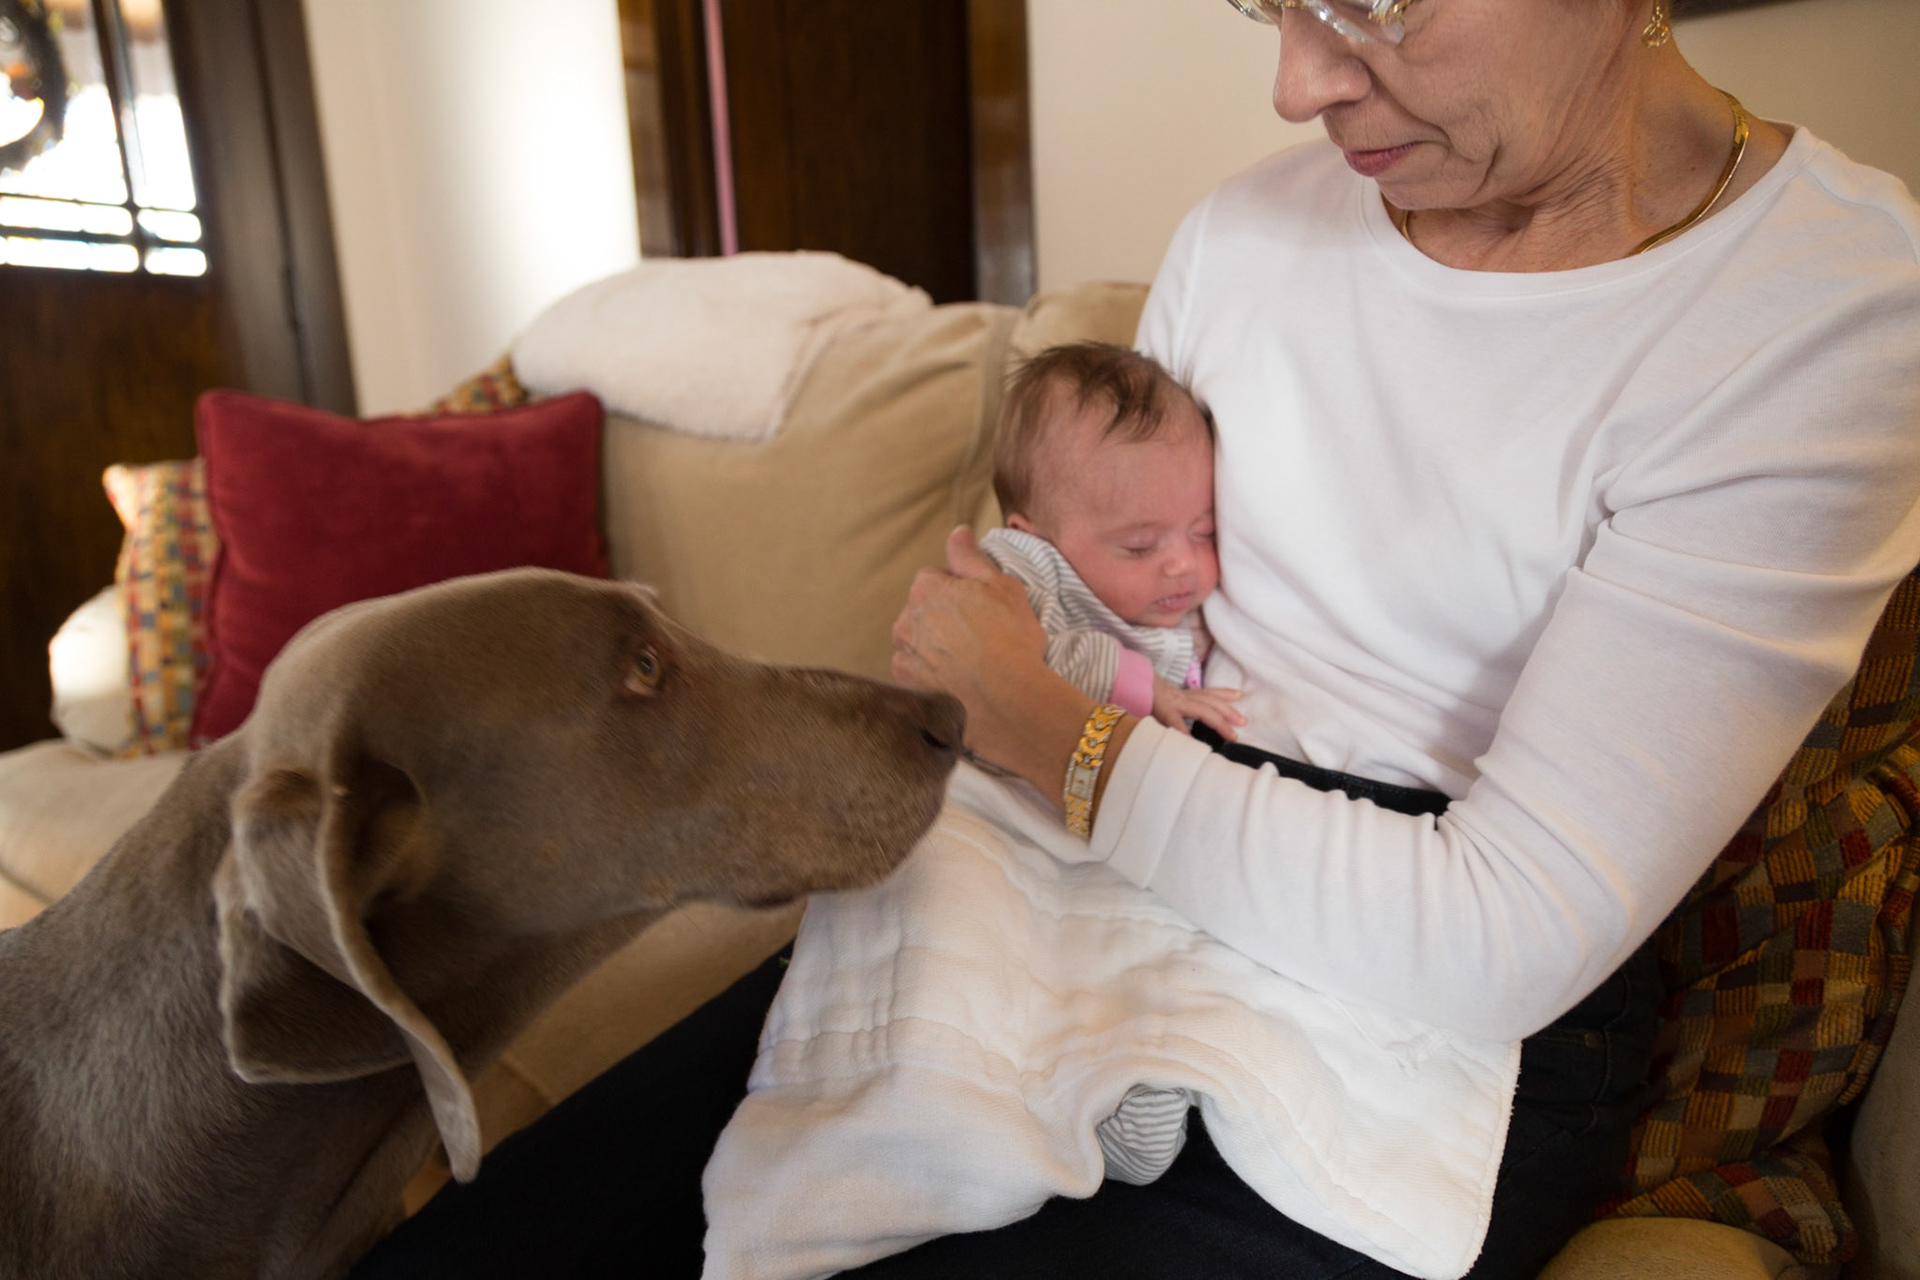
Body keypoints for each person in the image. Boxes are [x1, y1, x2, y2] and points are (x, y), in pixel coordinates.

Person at [349, 1, 1920, 1276]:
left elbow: (1497, 938)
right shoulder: (1246, 237)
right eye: (1264, 5)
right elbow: (1095, 601)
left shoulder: (1825, 306)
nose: (1300, 82)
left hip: (1428, 1013)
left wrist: (1048, 726)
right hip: (1103, 866)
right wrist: (1015, 645)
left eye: (1368, 2)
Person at [977, 339, 1248, 1185]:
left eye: (1202, 532)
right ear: (1039, 536)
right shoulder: (1030, 577)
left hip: (1134, 850)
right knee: (1032, 976)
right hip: (1026, 834)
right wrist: (1142, 689)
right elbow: (1023, 666)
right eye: (1138, 546)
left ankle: (1135, 1108)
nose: (1181, 564)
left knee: (1161, 977)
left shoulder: (1180, 607)